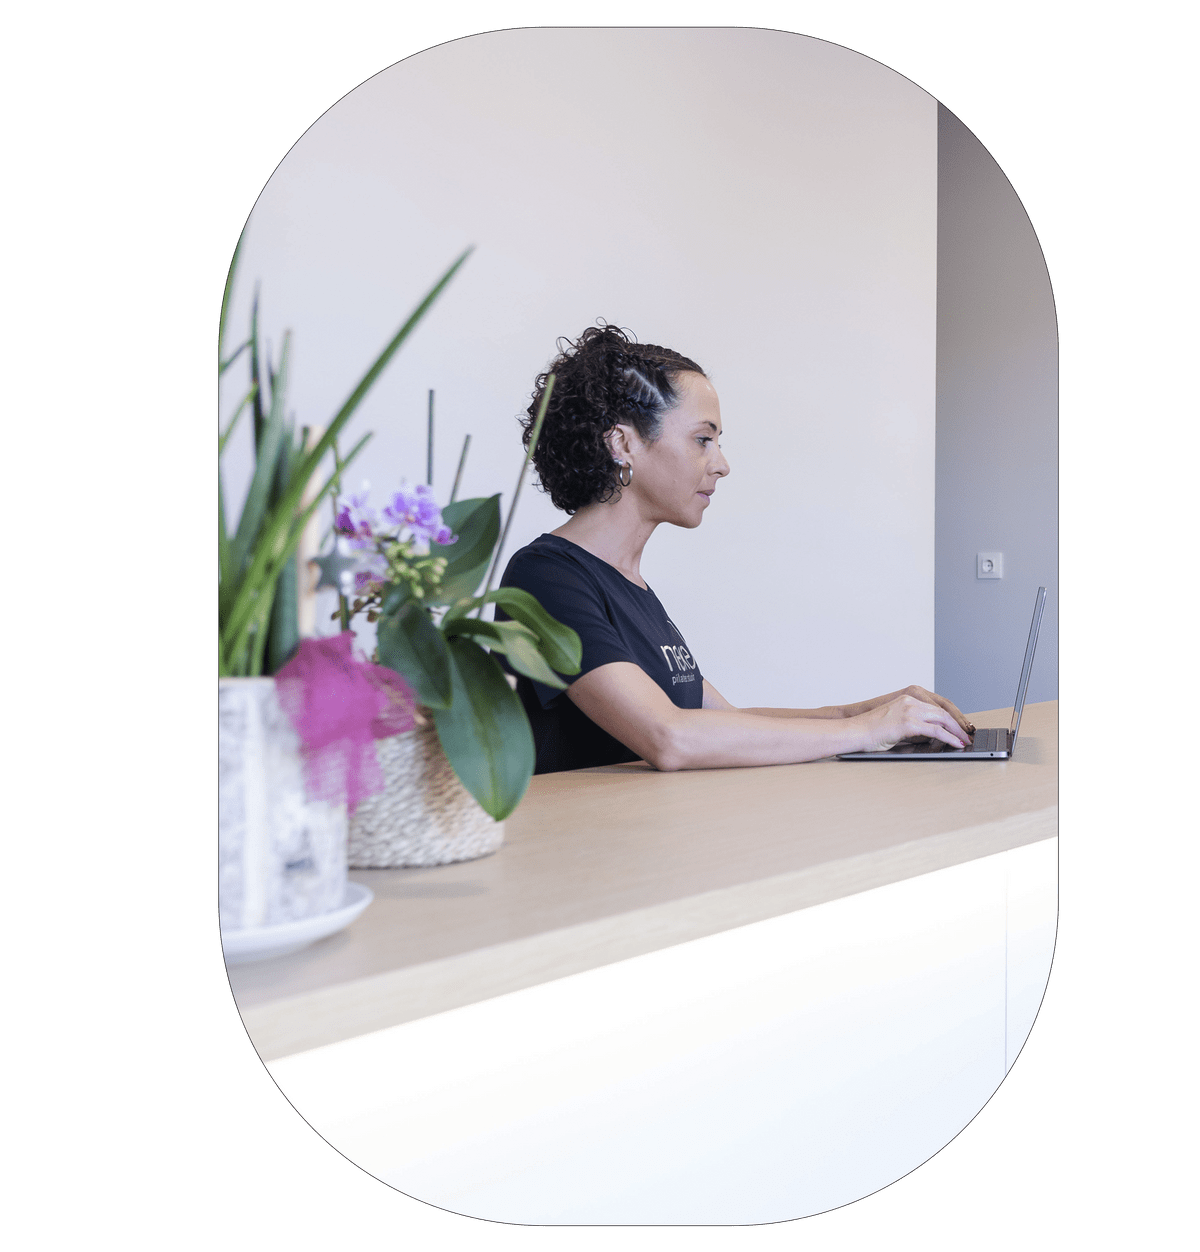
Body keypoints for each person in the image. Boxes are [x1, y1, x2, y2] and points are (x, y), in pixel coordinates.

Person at [498, 323, 975, 774]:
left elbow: (720, 719)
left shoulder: (630, 586)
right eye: (703, 440)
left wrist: (875, 713)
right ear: (622, 443)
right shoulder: (546, 578)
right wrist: (865, 731)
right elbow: (670, 737)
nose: (721, 465)